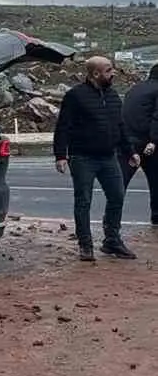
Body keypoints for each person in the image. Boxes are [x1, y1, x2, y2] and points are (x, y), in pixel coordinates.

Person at [53, 55, 140, 261]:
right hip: (82, 157)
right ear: (95, 73)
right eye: (109, 70)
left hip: (109, 157)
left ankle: (112, 241)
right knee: (83, 201)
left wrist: (131, 151)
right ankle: (85, 245)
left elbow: (120, 126)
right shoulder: (75, 96)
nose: (113, 74)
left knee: (117, 196)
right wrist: (60, 155)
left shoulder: (112, 96)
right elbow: (63, 126)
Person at [122, 61, 158, 226]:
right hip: (148, 143)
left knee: (120, 183)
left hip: (129, 143)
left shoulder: (135, 89)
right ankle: (157, 218)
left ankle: (111, 222)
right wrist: (153, 140)